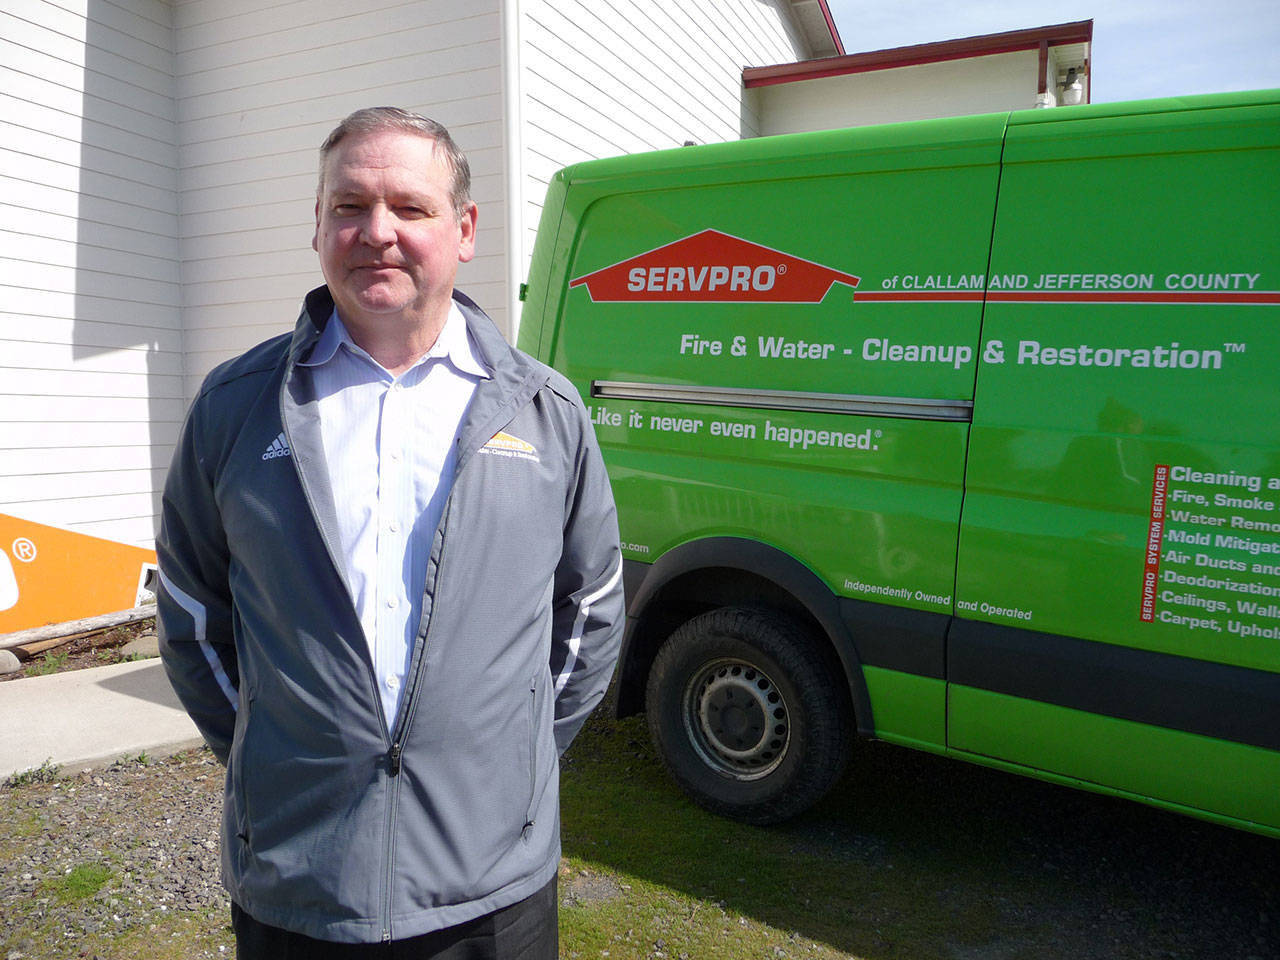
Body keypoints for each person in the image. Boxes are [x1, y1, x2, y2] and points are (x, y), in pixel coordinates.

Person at [156, 107, 624, 958]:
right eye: (349, 206)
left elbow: (590, 609)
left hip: (491, 894)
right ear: (319, 228)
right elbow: (192, 614)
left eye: (410, 207)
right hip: (301, 884)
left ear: (464, 229)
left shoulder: (546, 413)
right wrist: (277, 750)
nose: (377, 232)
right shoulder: (235, 408)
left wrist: (507, 762)